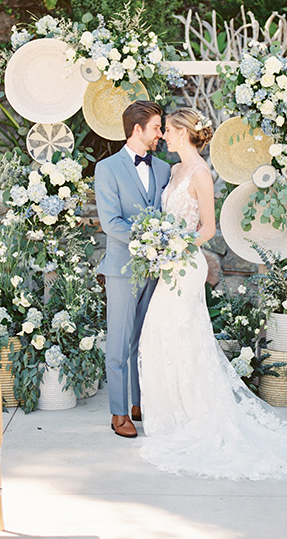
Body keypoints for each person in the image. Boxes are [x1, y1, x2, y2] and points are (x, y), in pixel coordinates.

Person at [138, 107, 287, 480]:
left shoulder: (199, 173)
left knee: (180, 335)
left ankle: (195, 416)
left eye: (169, 130)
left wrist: (175, 245)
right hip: (169, 264)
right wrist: (158, 245)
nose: (163, 135)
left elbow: (208, 229)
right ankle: (175, 413)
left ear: (184, 132)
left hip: (185, 264)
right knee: (161, 336)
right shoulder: (175, 170)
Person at [94, 100, 171, 438]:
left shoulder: (165, 169)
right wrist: (148, 241)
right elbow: (111, 223)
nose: (161, 134)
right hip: (122, 268)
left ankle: (139, 404)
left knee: (145, 339)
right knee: (120, 342)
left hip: (156, 270)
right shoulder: (107, 169)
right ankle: (118, 412)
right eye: (156, 127)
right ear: (137, 129)